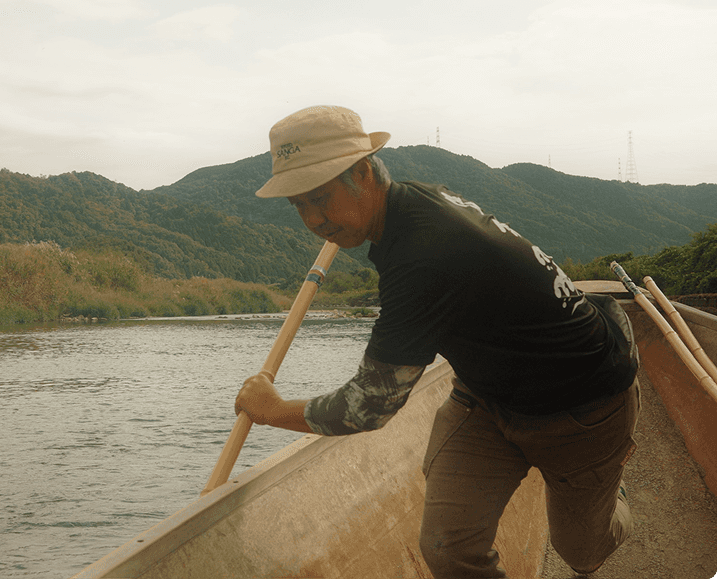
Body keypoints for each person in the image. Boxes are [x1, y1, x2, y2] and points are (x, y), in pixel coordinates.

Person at [235, 105, 639, 578]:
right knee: (447, 548)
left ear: (363, 173)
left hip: (583, 406)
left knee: (583, 553)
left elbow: (368, 406)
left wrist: (270, 410)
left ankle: (612, 489)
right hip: (486, 398)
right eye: (299, 204)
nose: (313, 219)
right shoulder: (411, 204)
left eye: (321, 198)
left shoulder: (423, 255)